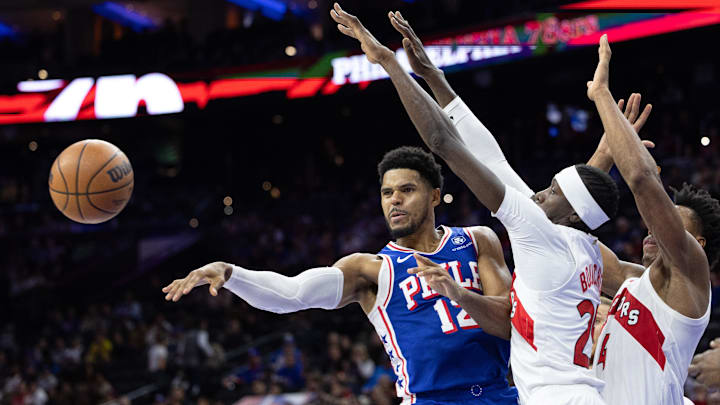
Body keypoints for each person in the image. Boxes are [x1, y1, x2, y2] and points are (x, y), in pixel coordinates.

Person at [329, 4, 619, 404]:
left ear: (569, 214)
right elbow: (499, 160)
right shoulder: (590, 250)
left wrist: (390, 63)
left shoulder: (538, 231)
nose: (537, 193)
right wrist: (433, 75)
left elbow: (443, 142)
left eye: (550, 191)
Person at [162, 145, 518, 404]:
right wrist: (232, 273)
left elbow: (507, 321)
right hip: (430, 399)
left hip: (501, 391)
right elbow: (291, 295)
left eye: (407, 190)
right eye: (387, 193)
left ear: (435, 196)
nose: (394, 200)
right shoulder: (368, 269)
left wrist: (458, 294)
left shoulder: (477, 240)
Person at [586, 35, 717, 404]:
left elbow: (643, 181)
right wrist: (603, 154)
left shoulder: (690, 277)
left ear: (698, 246)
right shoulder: (628, 281)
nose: (653, 229)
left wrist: (602, 97)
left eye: (670, 224)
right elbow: (562, 229)